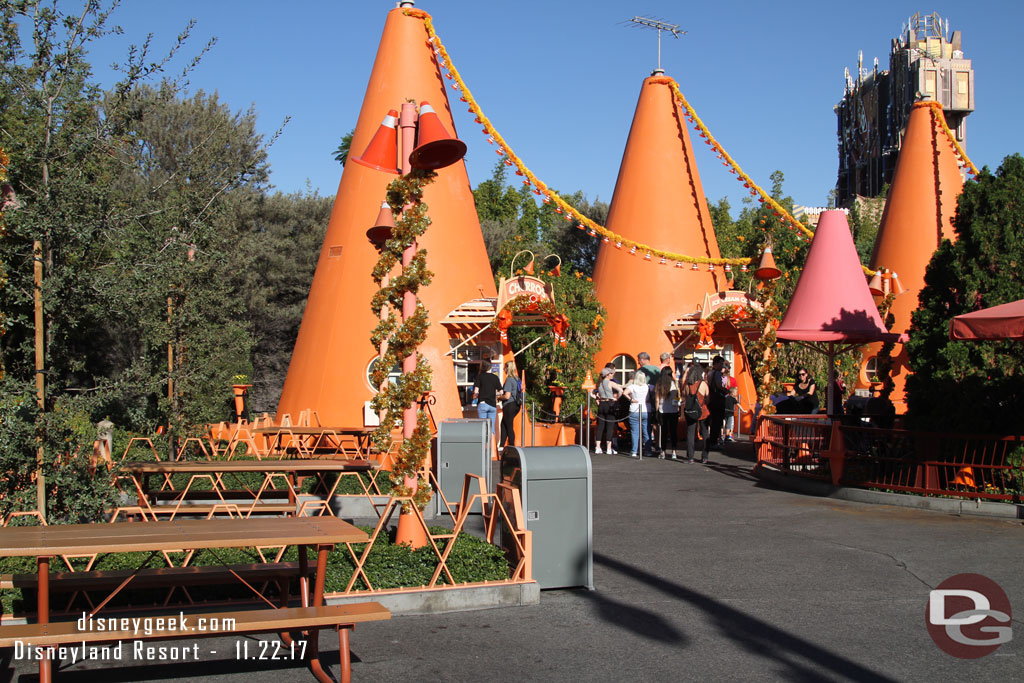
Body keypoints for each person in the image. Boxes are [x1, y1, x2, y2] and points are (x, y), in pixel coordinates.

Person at [682, 364, 710, 464]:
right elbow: (707, 398)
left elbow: (685, 396)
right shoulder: (703, 384)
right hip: (703, 410)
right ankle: (705, 456)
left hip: (690, 410)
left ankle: (690, 457)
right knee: (705, 433)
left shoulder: (687, 385)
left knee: (690, 433)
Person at [592, 366, 623, 454]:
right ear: (607, 375)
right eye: (610, 373)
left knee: (600, 427)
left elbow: (591, 393)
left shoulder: (599, 383)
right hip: (610, 403)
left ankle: (598, 447)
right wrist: (616, 398)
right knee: (610, 426)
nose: (612, 374)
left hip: (602, 404)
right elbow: (621, 391)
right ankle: (609, 448)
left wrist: (597, 397)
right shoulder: (611, 383)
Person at [622, 371, 651, 458]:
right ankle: (648, 450)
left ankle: (634, 451)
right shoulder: (648, 387)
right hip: (646, 410)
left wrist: (631, 399)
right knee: (646, 431)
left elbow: (624, 393)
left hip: (634, 409)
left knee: (635, 432)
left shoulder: (632, 387)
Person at [637, 352, 661, 454]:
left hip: (645, 401)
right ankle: (658, 445)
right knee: (656, 423)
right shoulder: (657, 369)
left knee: (645, 424)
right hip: (658, 399)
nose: (638, 362)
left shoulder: (641, 371)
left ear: (642, 359)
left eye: (638, 360)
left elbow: (638, 384)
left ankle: (646, 445)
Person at [472, 360, 502, 440]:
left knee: (483, 428)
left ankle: (483, 449)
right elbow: (501, 392)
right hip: (492, 405)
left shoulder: (480, 377)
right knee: (491, 429)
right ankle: (492, 449)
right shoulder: (495, 377)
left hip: (483, 404)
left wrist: (479, 395)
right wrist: (492, 394)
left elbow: (476, 392)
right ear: (490, 366)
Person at [655, 366, 680, 459]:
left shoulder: (659, 384)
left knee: (663, 432)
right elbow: (677, 397)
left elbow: (657, 399)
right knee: (673, 432)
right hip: (673, 410)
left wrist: (657, 410)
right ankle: (674, 451)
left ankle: (663, 451)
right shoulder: (674, 383)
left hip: (662, 409)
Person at [706, 355, 729, 449]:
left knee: (714, 420)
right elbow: (719, 385)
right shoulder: (717, 373)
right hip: (717, 399)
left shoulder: (710, 373)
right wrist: (725, 390)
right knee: (717, 420)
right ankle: (714, 441)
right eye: (721, 363)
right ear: (716, 363)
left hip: (712, 398)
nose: (722, 365)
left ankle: (713, 440)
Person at [498, 361, 521, 448]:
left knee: (509, 427)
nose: (504, 369)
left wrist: (499, 398)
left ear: (508, 368)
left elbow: (507, 396)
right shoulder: (517, 379)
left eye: (505, 367)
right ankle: (501, 446)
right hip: (516, 405)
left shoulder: (509, 380)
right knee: (503, 424)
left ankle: (512, 447)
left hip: (509, 405)